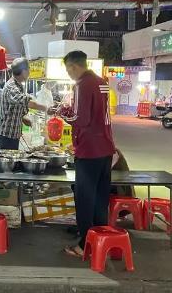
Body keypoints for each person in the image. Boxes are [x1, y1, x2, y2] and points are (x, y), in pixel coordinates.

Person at [61, 51, 115, 258]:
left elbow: (80, 119)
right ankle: (101, 240)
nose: (69, 74)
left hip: (89, 150)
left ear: (74, 66)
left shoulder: (82, 85)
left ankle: (85, 245)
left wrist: (62, 112)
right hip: (106, 149)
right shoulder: (102, 82)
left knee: (84, 199)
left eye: (68, 69)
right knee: (100, 199)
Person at [0, 57, 48, 150]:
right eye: (28, 70)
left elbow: (14, 107)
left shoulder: (18, 86)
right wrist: (46, 108)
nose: (29, 73)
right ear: (24, 71)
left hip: (13, 135)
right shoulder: (11, 86)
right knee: (10, 162)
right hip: (7, 135)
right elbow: (24, 101)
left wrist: (23, 118)